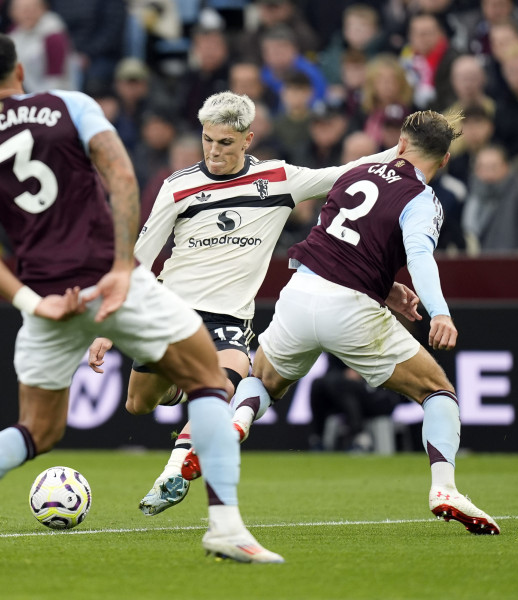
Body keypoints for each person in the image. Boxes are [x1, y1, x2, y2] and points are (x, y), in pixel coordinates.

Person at [0, 32, 282, 565]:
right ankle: (224, 526)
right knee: (208, 378)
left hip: (48, 298)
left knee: (36, 428)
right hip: (110, 279)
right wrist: (123, 267)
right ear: (20, 73)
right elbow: (121, 176)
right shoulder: (68, 106)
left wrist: (33, 304)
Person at [87, 90, 403, 516]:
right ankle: (178, 389)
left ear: (247, 139)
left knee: (223, 384)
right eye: (208, 140)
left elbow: (341, 174)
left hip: (228, 318)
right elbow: (139, 259)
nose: (214, 152)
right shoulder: (178, 187)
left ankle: (174, 471)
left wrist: (402, 151)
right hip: (170, 309)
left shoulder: (276, 179)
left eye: (226, 143)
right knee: (139, 404)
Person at [227, 108, 501, 535]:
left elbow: (338, 238)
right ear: (445, 160)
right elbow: (421, 255)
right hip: (350, 309)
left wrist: (386, 286)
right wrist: (440, 311)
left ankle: (237, 421)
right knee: (436, 391)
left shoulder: (358, 171)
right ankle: (444, 488)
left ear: (403, 143)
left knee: (262, 380)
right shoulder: (422, 199)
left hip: (300, 292)